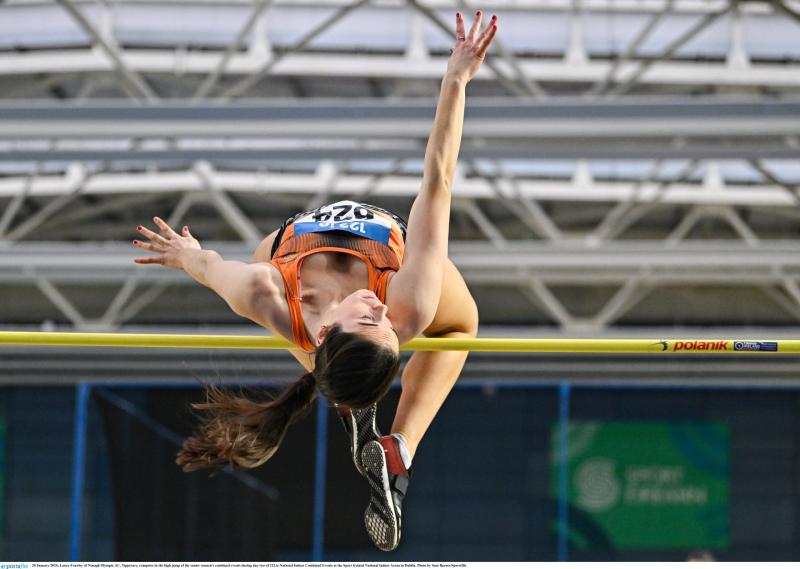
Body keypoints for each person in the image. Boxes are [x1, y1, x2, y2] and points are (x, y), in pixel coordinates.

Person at [132, 10, 497, 552]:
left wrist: (187, 255)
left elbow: (209, 267)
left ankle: (351, 399)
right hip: (380, 264)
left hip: (294, 285)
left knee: (315, 332)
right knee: (457, 325)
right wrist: (456, 80)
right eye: (389, 330)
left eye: (370, 320)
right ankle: (400, 445)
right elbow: (437, 181)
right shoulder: (406, 303)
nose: (381, 311)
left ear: (328, 332)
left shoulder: (262, 292)